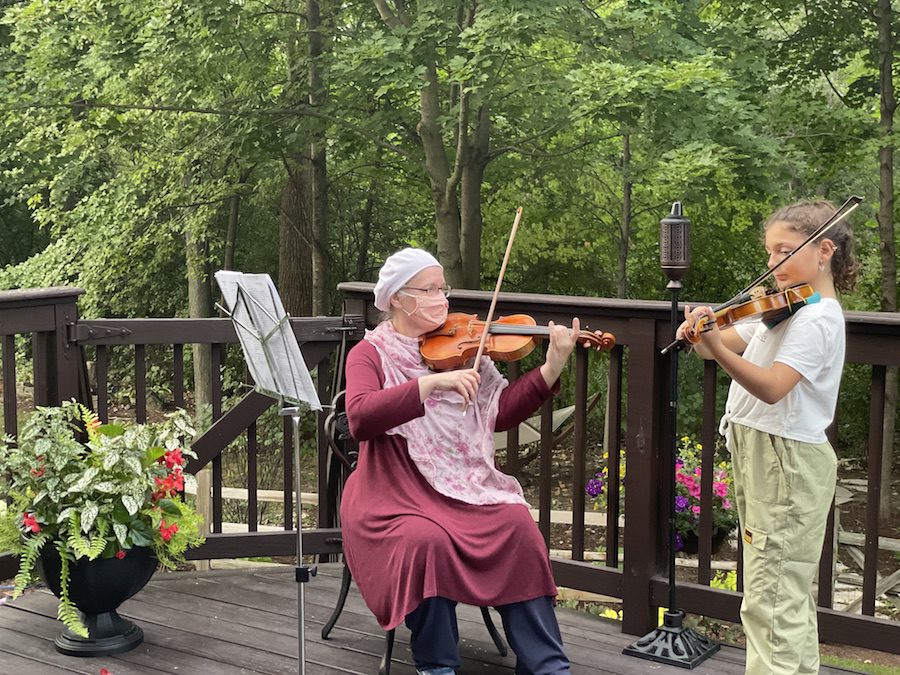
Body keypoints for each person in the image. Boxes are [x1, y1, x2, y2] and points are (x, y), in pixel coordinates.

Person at [340, 247, 579, 675]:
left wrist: (551, 367)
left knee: (518, 528)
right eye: (429, 289)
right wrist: (429, 385)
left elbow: (499, 412)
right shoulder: (370, 354)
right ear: (398, 298)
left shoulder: (464, 347)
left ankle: (546, 666)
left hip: (465, 486)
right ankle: (437, 665)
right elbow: (359, 418)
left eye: (442, 288)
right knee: (423, 543)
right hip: (392, 492)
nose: (442, 298)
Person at [678, 200, 859, 675]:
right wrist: (703, 333)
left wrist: (715, 347)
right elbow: (720, 348)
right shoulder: (784, 310)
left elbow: (773, 387)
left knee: (769, 599)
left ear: (824, 251)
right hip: (766, 454)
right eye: (768, 253)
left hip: (785, 459)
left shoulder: (817, 318)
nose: (772, 263)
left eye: (783, 250)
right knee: (784, 593)